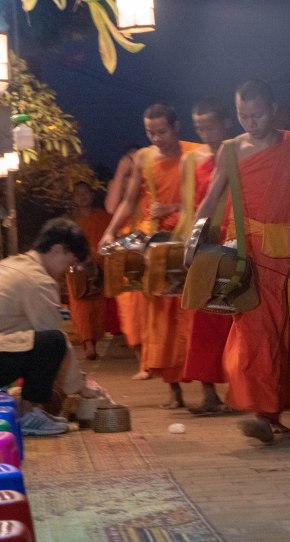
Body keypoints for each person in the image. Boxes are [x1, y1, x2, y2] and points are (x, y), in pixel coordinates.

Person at [195, 79, 290, 442]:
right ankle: (263, 414)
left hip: (283, 253)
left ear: (273, 110)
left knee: (277, 334)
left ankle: (271, 412)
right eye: (243, 115)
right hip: (244, 255)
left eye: (257, 115)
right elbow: (211, 197)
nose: (251, 123)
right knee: (257, 333)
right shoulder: (231, 150)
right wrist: (194, 240)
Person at [100, 103, 199, 408]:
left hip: (189, 240)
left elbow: (209, 198)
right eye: (150, 132)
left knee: (194, 316)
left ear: (177, 127)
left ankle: (209, 390)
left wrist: (174, 208)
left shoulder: (195, 154)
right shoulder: (144, 158)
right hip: (157, 246)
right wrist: (109, 231)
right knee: (162, 322)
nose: (156, 138)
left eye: (162, 131)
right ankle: (174, 392)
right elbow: (129, 201)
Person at [0, 218, 89, 436]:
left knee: (33, 340)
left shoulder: (13, 263)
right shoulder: (37, 280)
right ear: (57, 250)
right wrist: (81, 388)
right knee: (53, 342)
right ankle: (29, 415)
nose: (67, 271)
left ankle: (28, 411)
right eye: (69, 263)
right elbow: (57, 338)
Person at [180, 97, 235, 416]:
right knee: (203, 317)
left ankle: (242, 391)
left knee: (236, 318)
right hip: (206, 241)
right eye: (199, 127)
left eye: (210, 126)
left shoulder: (240, 152)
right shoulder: (194, 160)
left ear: (226, 123)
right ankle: (209, 393)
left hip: (236, 239)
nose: (205, 133)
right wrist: (191, 240)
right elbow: (192, 204)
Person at [104, 144, 149, 380]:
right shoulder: (119, 184)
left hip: (148, 245)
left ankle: (156, 360)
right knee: (130, 307)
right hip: (126, 250)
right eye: (129, 161)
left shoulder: (151, 182)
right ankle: (142, 362)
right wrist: (121, 174)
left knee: (151, 306)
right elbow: (112, 207)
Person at [66, 181, 112, 360]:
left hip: (100, 267)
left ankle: (94, 339)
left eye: (85, 192)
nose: (82, 196)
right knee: (80, 305)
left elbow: (112, 238)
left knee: (98, 307)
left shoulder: (104, 217)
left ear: (92, 195)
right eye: (78, 194)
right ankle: (88, 343)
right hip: (78, 268)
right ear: (73, 199)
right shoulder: (69, 221)